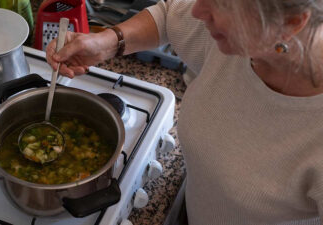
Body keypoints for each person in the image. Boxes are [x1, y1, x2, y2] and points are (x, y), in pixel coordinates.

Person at [46, 0, 323, 224]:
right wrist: (106, 43)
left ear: (290, 23)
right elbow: (169, 17)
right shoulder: (244, 36)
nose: (197, 10)